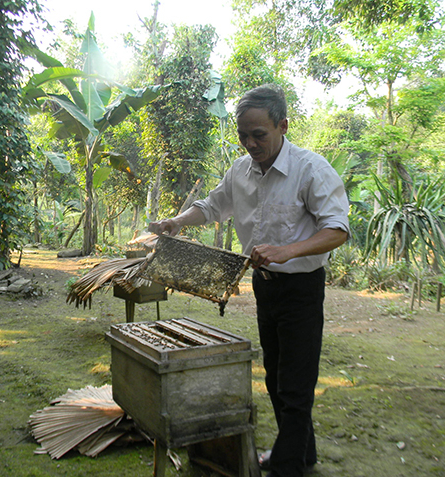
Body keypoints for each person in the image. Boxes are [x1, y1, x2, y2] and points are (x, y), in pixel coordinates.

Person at [148, 84, 349, 477]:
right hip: (264, 286)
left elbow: (338, 229)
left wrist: (287, 250)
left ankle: (287, 466)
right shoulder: (240, 170)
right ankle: (302, 453)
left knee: (295, 382)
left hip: (301, 290)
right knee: (275, 377)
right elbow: (212, 207)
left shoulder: (311, 169)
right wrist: (176, 222)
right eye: (243, 135)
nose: (250, 143)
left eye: (259, 134)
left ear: (283, 126)